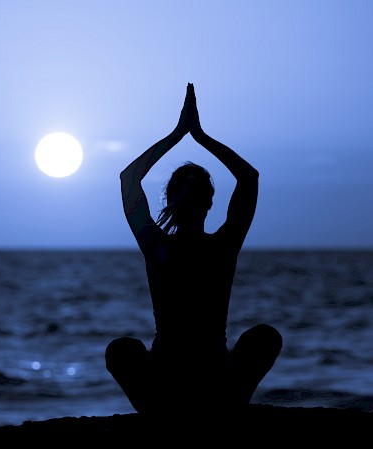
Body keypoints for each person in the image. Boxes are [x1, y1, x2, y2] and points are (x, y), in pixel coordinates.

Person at [105, 83, 283, 417]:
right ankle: (224, 409)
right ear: (211, 203)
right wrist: (198, 136)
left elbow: (129, 179)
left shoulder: (156, 245)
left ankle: (163, 413)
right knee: (265, 337)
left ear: (168, 200)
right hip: (213, 377)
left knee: (121, 349)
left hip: (169, 378)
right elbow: (249, 178)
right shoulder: (222, 245)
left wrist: (178, 135)